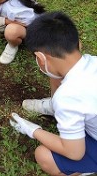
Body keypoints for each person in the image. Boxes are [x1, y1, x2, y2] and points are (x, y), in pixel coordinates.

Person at [10, 11, 97, 175]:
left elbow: (74, 153)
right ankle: (52, 106)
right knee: (57, 73)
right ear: (78, 43)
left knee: (43, 155)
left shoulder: (68, 96)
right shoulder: (93, 61)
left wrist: (33, 130)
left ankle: (85, 171)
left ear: (40, 58)